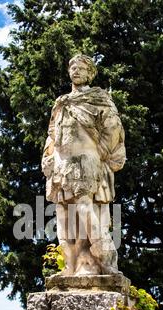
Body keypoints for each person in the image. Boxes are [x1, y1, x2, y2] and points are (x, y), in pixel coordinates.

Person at [42, 54, 126, 275]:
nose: (76, 71)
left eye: (81, 68)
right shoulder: (61, 102)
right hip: (61, 164)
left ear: (90, 73)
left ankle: (102, 256)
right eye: (73, 68)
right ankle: (70, 265)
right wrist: (47, 155)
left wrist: (98, 153)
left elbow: (113, 128)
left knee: (84, 205)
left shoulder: (99, 99)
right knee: (63, 213)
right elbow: (52, 134)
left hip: (87, 161)